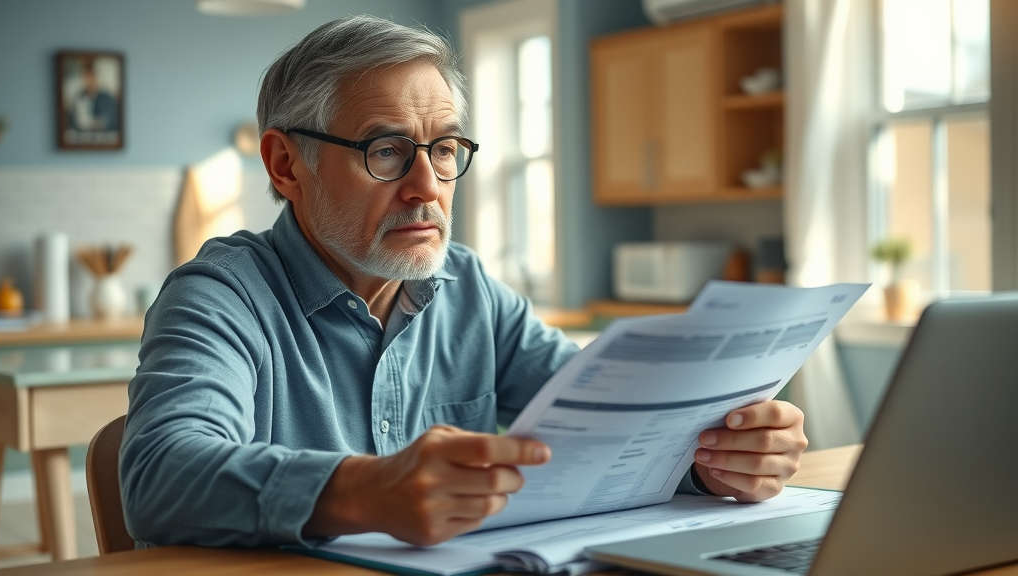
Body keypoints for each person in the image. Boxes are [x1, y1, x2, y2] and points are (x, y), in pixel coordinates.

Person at [119, 14, 807, 550]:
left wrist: (715, 457)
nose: (427, 188)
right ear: (286, 165)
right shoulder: (220, 294)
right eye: (386, 151)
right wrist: (365, 491)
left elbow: (609, 423)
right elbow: (160, 476)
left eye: (443, 150)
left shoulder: (469, 287)